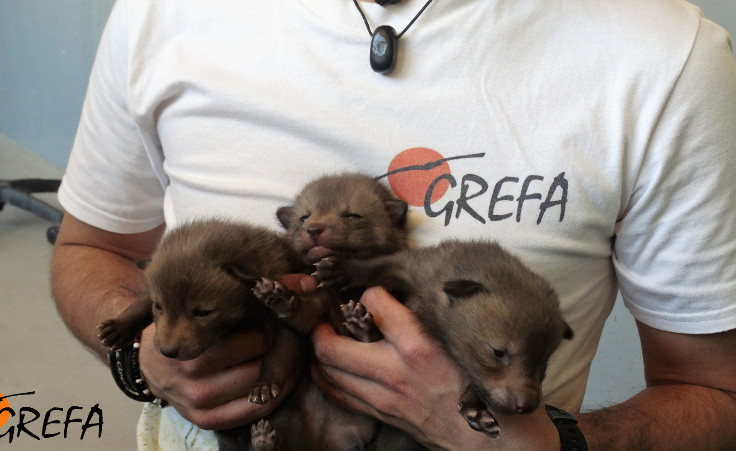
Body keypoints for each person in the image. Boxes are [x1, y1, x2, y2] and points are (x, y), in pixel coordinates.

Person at [51, 0, 736, 449]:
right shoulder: (161, 14)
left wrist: (556, 443)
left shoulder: (667, 56)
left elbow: (716, 390)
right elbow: (94, 245)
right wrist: (139, 352)